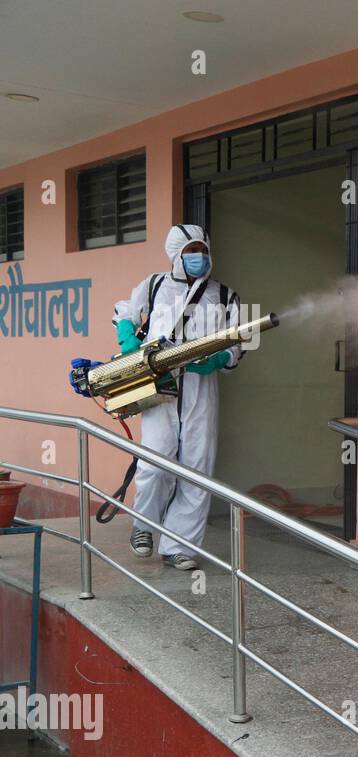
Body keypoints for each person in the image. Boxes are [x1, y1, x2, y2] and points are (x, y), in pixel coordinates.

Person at [116, 224, 245, 571]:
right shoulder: (155, 285)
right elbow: (124, 311)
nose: (199, 257)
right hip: (160, 386)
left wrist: (220, 358)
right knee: (154, 463)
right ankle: (144, 527)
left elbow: (240, 342)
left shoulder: (224, 295)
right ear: (176, 254)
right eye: (191, 251)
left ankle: (181, 545)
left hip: (202, 391)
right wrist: (128, 340)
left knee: (197, 467)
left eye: (202, 249)